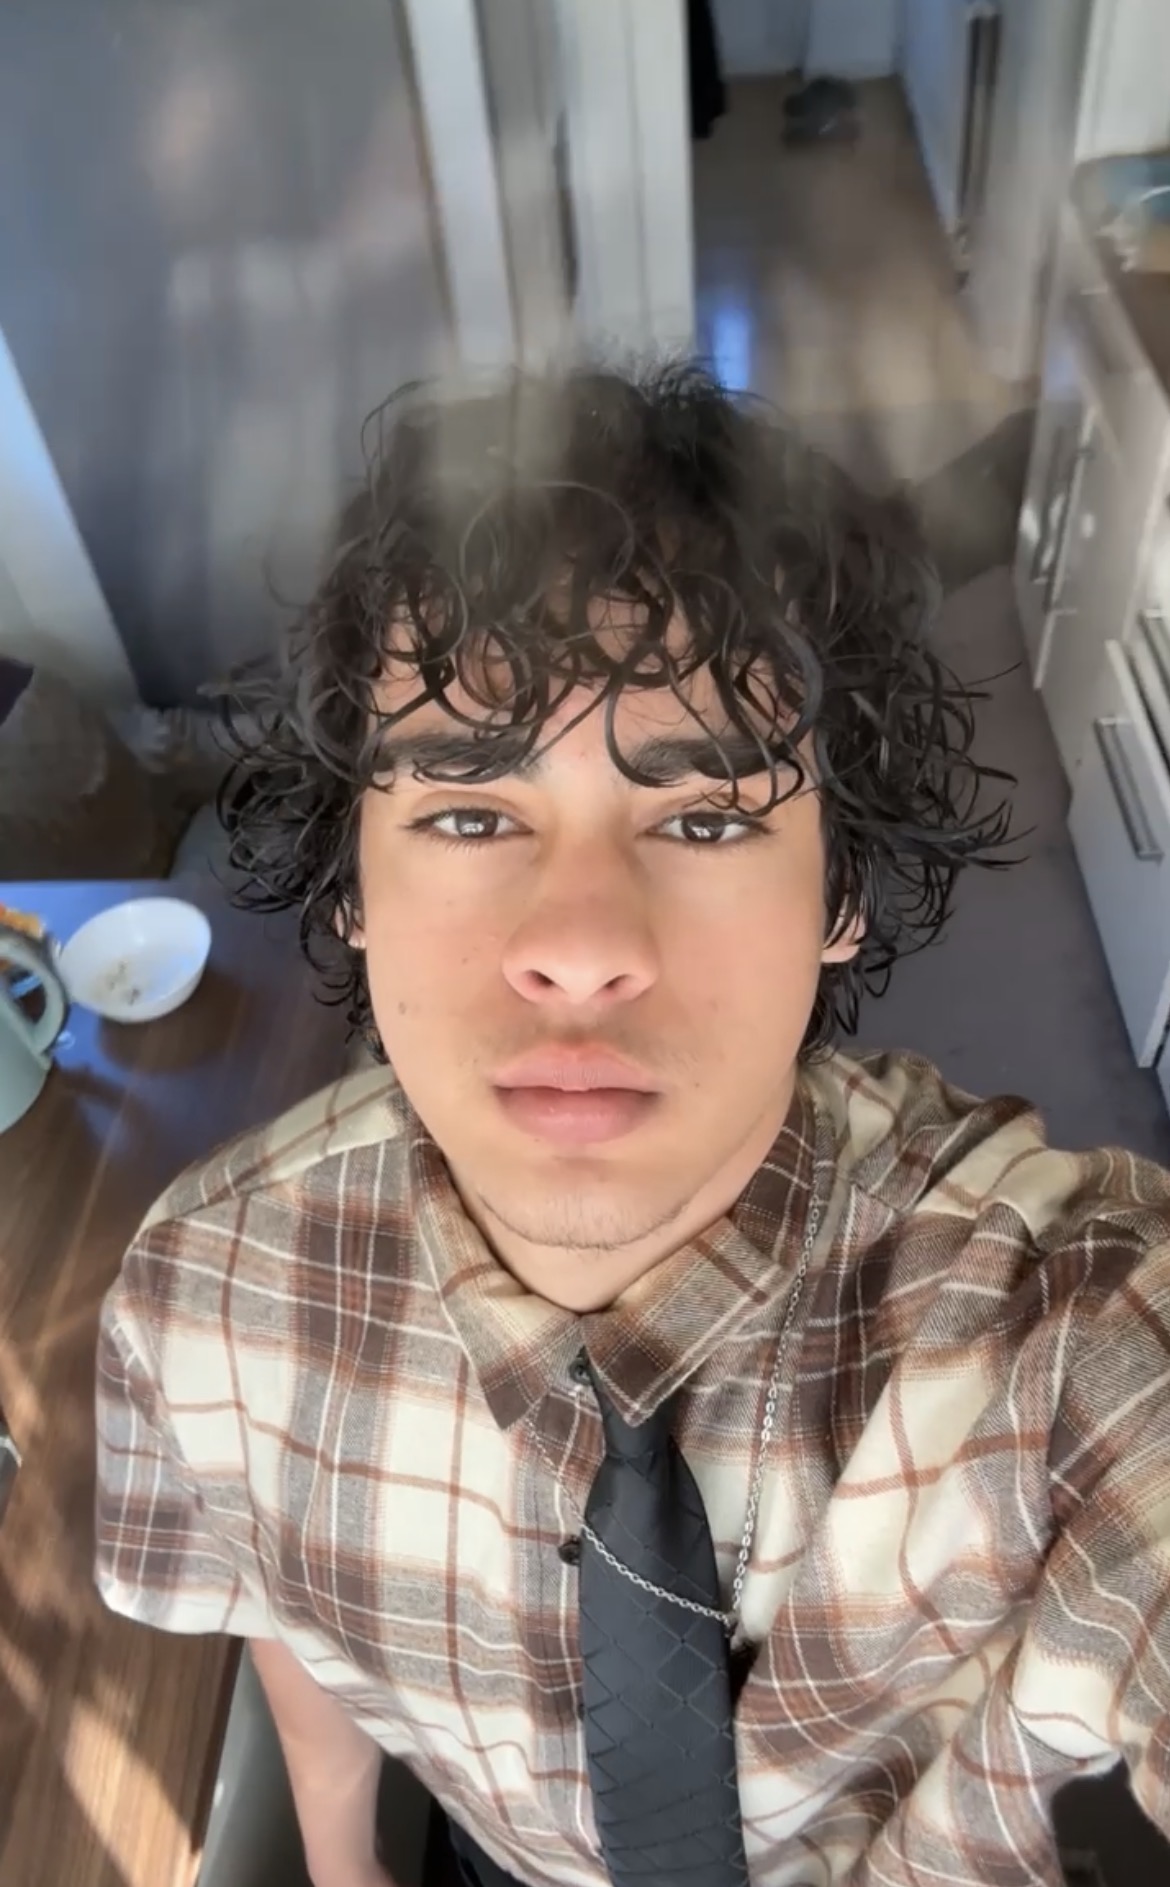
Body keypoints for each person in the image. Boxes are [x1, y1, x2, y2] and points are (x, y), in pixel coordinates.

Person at [95, 364, 1170, 1887]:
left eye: (707, 817)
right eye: (471, 812)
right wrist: (342, 1863)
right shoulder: (203, 1302)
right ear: (352, 883)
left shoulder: (1054, 1330)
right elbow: (280, 1600)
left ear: (841, 893)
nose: (581, 948)